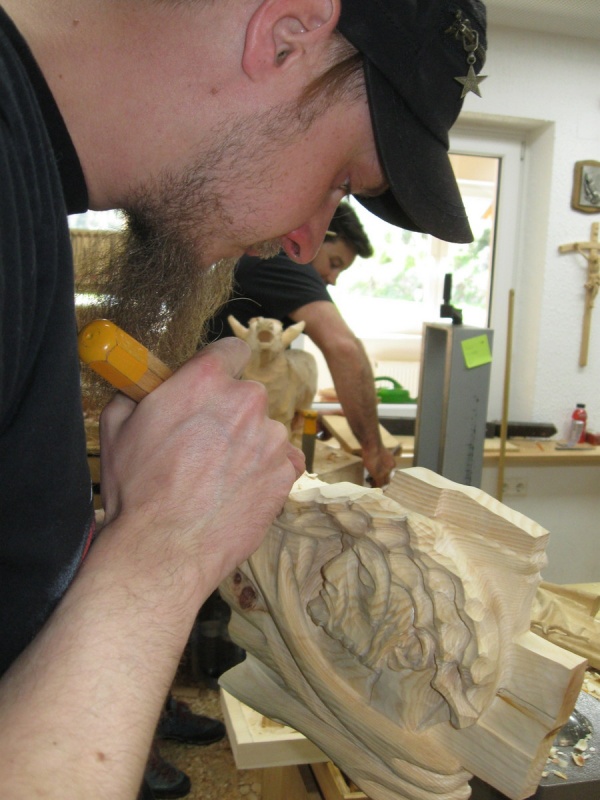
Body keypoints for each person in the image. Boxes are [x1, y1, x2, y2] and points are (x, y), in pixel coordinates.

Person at [0, 1, 487, 798]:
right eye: (340, 181)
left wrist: (129, 527)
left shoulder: (30, 192)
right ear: (286, 33)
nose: (306, 240)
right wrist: (160, 555)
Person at [208, 202, 397, 487]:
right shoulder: (280, 261)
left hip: (224, 418)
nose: (332, 279)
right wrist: (374, 450)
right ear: (316, 235)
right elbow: (345, 348)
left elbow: (269, 376)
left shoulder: (266, 259)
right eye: (334, 263)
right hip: (220, 432)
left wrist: (301, 414)